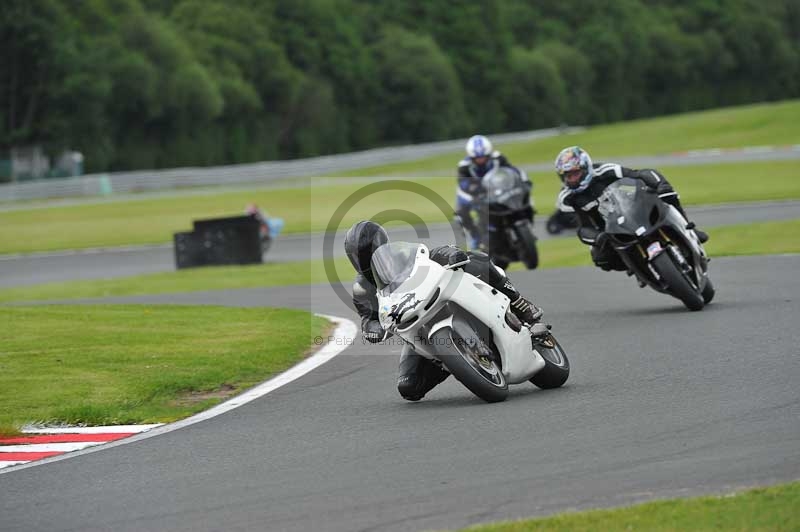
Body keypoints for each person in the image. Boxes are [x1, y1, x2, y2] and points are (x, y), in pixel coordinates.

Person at [344, 220, 543, 402]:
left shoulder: (402, 254)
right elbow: (367, 318)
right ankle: (451, 361)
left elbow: (428, 256)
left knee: (475, 259)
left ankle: (519, 302)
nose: (364, 258)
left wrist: (448, 253)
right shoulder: (361, 289)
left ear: (382, 243)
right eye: (358, 255)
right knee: (409, 387)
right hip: (416, 327)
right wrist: (373, 330)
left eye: (368, 251)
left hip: (435, 299)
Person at [554, 146, 708, 272]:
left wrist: (660, 184)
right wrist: (598, 237)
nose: (572, 178)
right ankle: (636, 266)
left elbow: (639, 174)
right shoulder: (566, 199)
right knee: (601, 259)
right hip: (609, 230)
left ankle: (690, 231)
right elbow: (582, 227)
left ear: (585, 167)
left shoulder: (605, 170)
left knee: (667, 194)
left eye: (575, 173)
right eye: (568, 175)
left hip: (632, 209)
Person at [455, 135, 530, 250]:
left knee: (521, 197)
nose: (481, 160)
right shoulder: (464, 166)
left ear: (489, 153)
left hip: (497, 189)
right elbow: (463, 183)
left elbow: (512, 170)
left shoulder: (498, 158)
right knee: (461, 212)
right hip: (474, 193)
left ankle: (525, 221)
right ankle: (476, 236)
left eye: (483, 157)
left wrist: (522, 179)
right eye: (477, 158)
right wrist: (474, 191)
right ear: (471, 157)